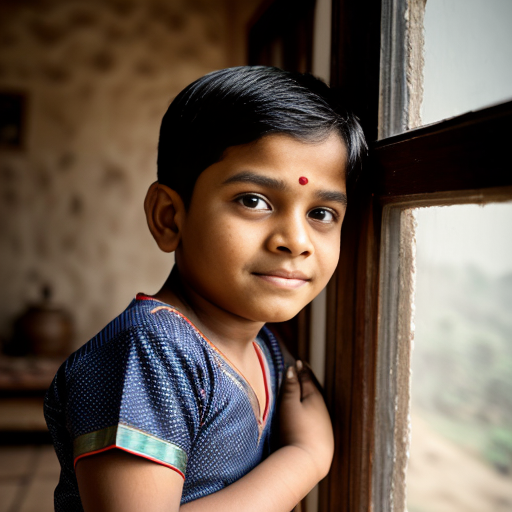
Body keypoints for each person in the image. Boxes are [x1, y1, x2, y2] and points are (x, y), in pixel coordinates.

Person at [44, 66, 366, 512]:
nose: (295, 240)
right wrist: (305, 458)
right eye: (253, 201)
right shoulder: (148, 356)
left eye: (323, 213)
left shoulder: (266, 348)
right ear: (169, 218)